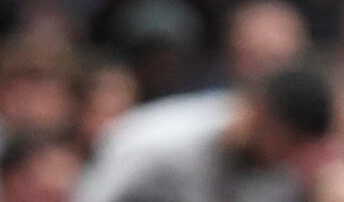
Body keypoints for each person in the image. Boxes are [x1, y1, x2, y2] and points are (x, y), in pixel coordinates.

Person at [75, 61, 335, 202]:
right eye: (288, 142)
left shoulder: (275, 172)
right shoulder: (157, 139)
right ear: (263, 112)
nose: (288, 156)